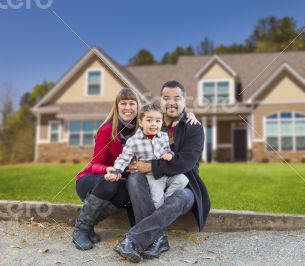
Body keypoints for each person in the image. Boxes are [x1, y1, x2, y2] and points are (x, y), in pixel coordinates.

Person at [72, 88, 199, 251]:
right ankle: (81, 229)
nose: (127, 108)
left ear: (138, 108)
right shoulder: (108, 130)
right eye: (123, 103)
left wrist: (188, 115)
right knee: (112, 183)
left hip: (120, 180)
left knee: (129, 189)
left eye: (132, 103)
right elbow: (95, 164)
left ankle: (90, 224)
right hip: (93, 180)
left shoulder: (144, 128)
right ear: (117, 107)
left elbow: (166, 121)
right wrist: (111, 170)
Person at [114, 80, 210, 263]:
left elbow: (186, 162)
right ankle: (159, 239)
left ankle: (133, 239)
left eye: (177, 98)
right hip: (151, 184)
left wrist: (150, 166)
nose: (171, 102)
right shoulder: (152, 121)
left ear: (184, 101)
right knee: (134, 179)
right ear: (161, 100)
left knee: (183, 196)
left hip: (183, 184)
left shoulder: (193, 127)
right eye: (166, 98)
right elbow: (123, 120)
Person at [109, 103, 189, 209]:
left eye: (158, 121)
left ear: (161, 122)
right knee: (157, 202)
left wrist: (169, 155)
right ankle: (160, 210)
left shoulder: (163, 137)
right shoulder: (134, 141)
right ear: (141, 122)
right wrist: (115, 172)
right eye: (149, 120)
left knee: (183, 180)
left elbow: (167, 150)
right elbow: (123, 158)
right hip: (152, 176)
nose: (154, 124)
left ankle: (167, 199)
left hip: (165, 171)